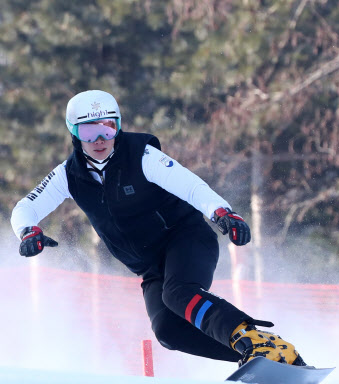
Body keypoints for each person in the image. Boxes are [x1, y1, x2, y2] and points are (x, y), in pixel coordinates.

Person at [11, 89, 305, 367]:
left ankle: (253, 341)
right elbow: (26, 207)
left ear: (118, 127)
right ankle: (263, 353)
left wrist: (223, 213)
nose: (100, 139)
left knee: (178, 293)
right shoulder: (68, 175)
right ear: (74, 133)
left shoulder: (142, 155)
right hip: (151, 266)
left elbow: (190, 186)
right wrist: (27, 230)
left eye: (108, 128)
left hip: (186, 239)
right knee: (168, 331)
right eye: (88, 131)